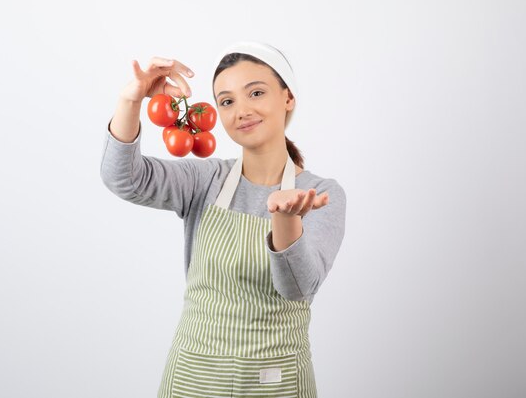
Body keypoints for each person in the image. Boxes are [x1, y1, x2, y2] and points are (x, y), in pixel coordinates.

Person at [100, 41, 346, 398]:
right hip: (192, 379)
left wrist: (286, 219)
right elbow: (123, 178)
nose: (241, 110)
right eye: (227, 101)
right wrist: (132, 99)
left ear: (287, 97)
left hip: (275, 382)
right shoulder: (206, 181)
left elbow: (298, 288)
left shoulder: (322, 194)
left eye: (256, 92)